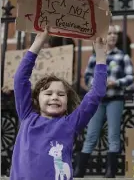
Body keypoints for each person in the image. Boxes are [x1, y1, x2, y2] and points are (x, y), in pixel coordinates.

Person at [10, 26, 108, 180]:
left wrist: (101, 56)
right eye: (48, 93)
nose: (54, 97)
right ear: (36, 99)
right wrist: (38, 43)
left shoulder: (71, 123)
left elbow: (96, 93)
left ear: (67, 100)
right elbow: (20, 80)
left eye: (61, 94)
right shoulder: (27, 116)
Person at [74, 24, 134, 178]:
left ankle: (110, 171)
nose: (113, 36)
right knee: (91, 134)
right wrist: (95, 84)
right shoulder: (94, 56)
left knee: (113, 134)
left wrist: (117, 82)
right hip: (98, 101)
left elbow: (130, 77)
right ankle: (79, 170)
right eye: (109, 33)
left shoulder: (123, 56)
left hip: (115, 99)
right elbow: (87, 76)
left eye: (115, 33)